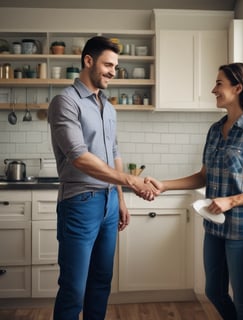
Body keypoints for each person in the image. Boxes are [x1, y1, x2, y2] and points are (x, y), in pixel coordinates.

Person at [146, 63, 243, 320]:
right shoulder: (214, 130)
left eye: (219, 83)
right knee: (214, 291)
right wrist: (165, 185)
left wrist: (232, 200)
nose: (213, 89)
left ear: (238, 87)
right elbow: (202, 176)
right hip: (215, 227)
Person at [48, 36, 158, 320]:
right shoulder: (65, 102)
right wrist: (131, 181)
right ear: (88, 61)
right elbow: (79, 156)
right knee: (73, 287)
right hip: (80, 202)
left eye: (116, 67)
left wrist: (120, 198)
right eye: (108, 65)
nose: (113, 71)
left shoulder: (107, 106)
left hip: (109, 203)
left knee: (101, 281)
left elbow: (114, 151)